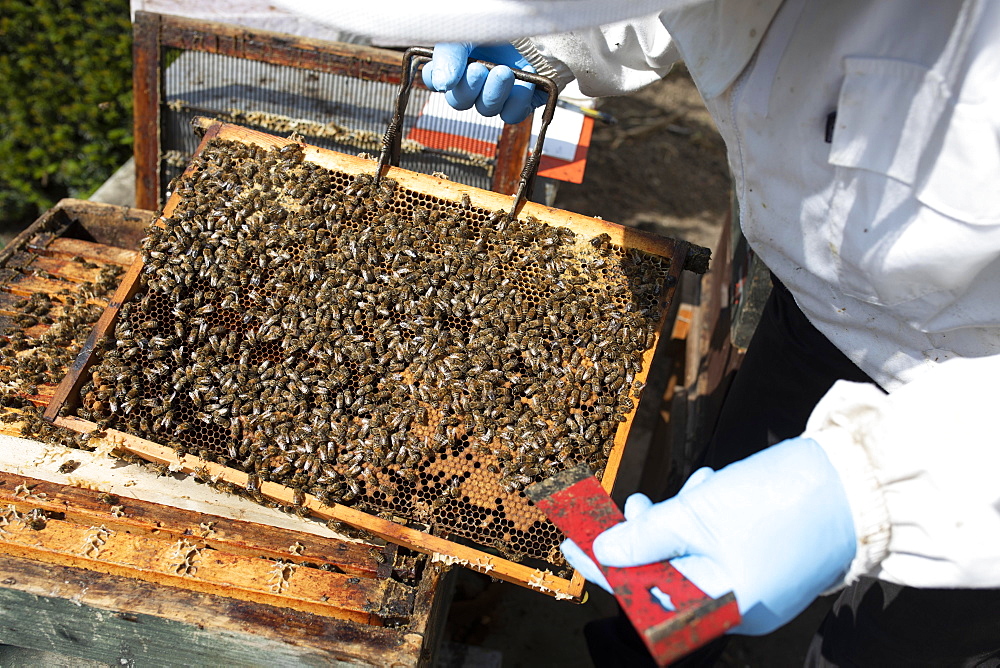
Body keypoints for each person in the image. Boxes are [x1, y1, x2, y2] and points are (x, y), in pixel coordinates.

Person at [279, 0, 1000, 663]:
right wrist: (548, 35)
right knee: (671, 586)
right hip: (820, 312)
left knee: (890, 649)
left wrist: (865, 489)